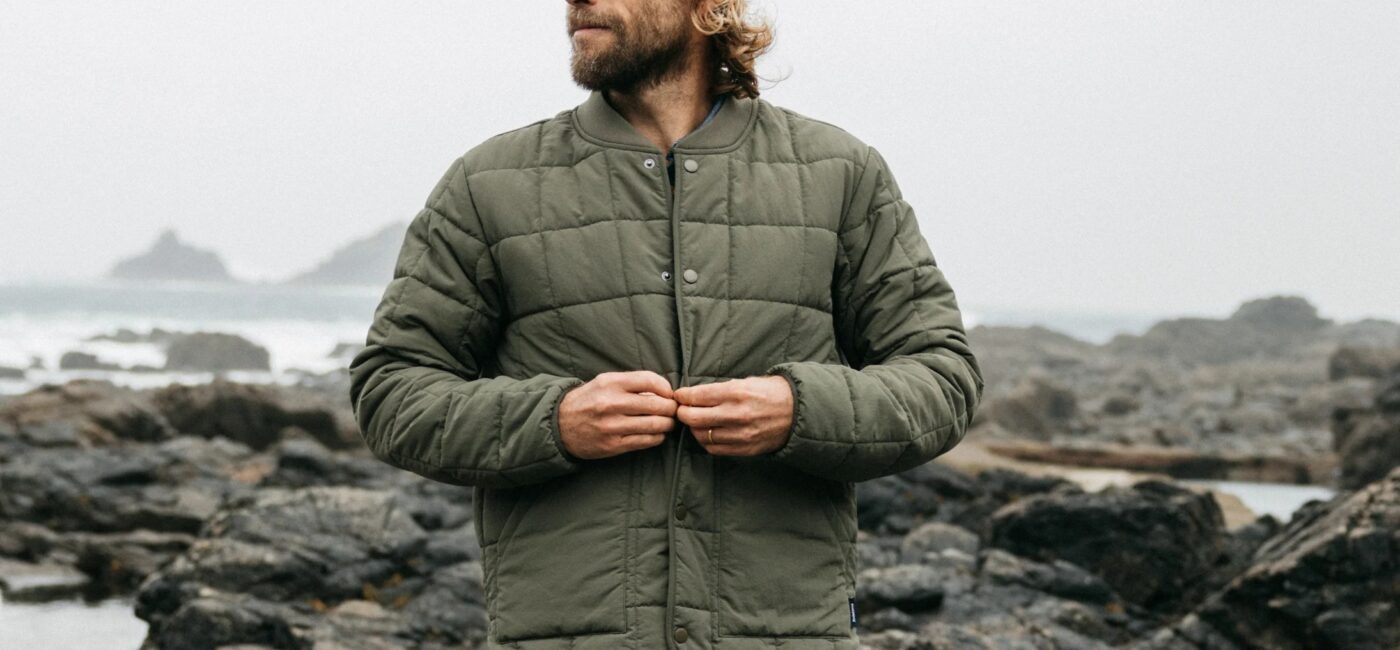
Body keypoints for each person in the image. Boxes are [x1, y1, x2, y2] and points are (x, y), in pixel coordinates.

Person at [347, 1, 985, 648]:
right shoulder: (489, 185)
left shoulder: (840, 175)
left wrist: (799, 410)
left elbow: (942, 378)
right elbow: (391, 391)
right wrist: (555, 422)